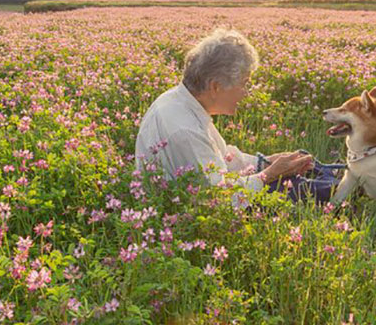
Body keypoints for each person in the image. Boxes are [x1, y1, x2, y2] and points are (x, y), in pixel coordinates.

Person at [134, 27, 324, 203]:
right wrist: (269, 174)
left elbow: (224, 157)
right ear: (215, 86)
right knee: (303, 190)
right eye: (244, 83)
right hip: (186, 221)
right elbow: (219, 197)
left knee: (307, 175)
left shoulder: (183, 103)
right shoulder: (185, 129)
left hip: (194, 206)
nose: (246, 93)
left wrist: (264, 162)